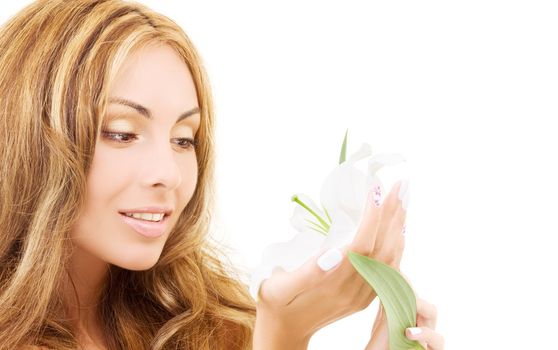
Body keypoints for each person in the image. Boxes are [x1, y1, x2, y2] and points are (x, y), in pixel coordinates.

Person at [0, 1, 444, 349]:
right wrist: (283, 338)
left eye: (183, 139)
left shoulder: (212, 325)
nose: (168, 175)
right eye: (122, 134)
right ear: (28, 140)